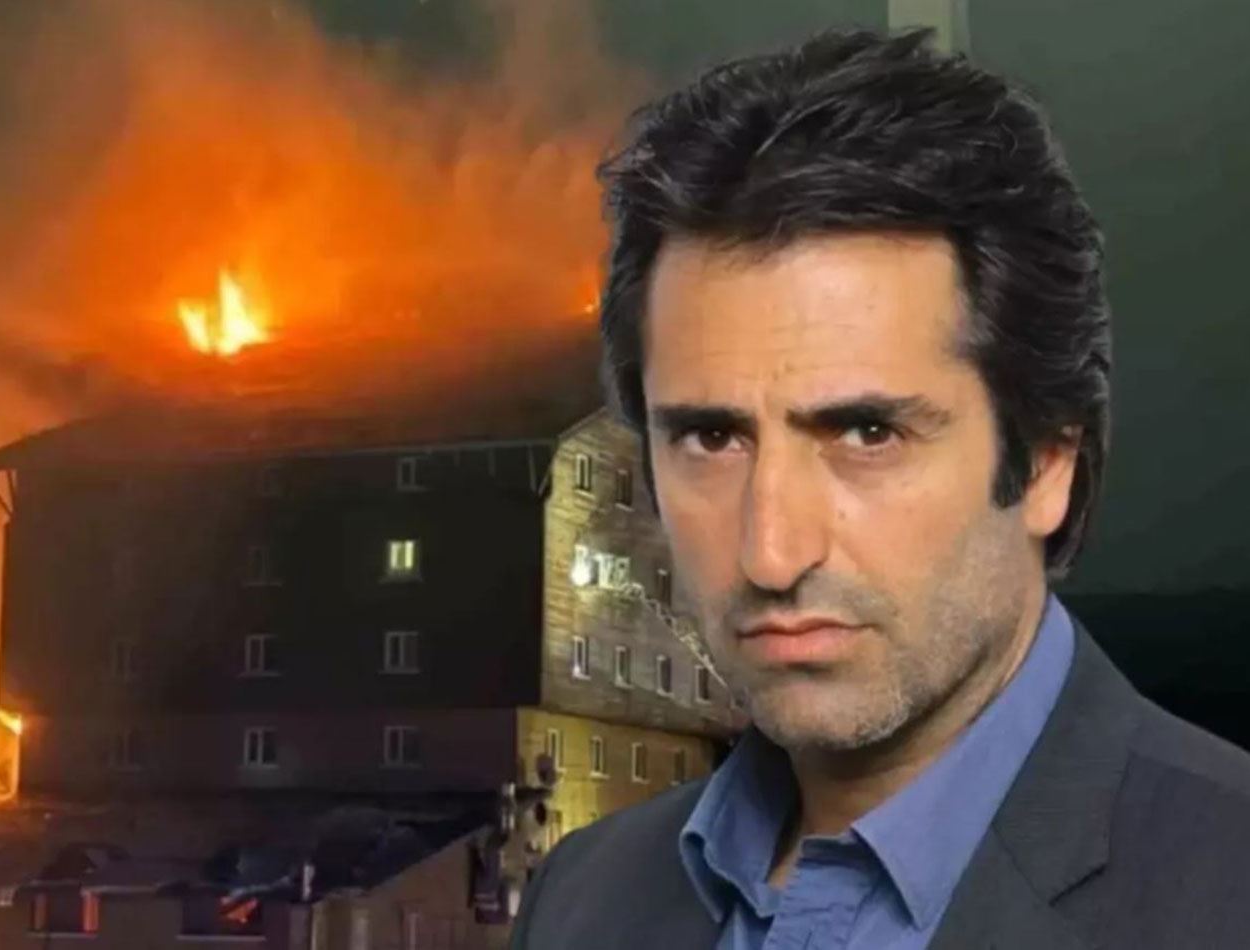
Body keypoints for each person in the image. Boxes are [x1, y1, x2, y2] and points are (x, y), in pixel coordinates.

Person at [510, 28, 1250, 950]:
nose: (771, 552)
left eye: (867, 433)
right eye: (711, 438)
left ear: (1047, 464)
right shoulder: (582, 898)